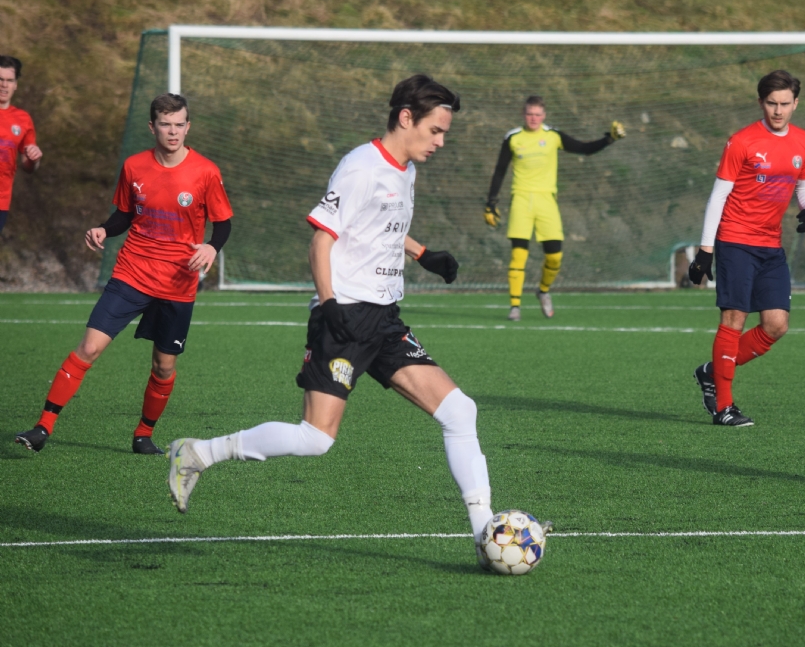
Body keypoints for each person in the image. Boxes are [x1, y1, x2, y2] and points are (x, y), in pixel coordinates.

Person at [167, 75, 501, 554]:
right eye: (435, 131)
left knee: (460, 411)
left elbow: (378, 226)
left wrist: (423, 253)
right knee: (315, 438)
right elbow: (321, 240)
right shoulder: (360, 167)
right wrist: (329, 305)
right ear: (406, 118)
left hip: (383, 319)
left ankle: (485, 532)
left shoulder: (406, 169)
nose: (440, 142)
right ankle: (198, 452)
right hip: (344, 314)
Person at [14, 94, 233, 454]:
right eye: (165, 124)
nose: (173, 131)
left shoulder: (205, 171)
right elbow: (125, 215)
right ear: (152, 127)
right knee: (88, 347)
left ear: (188, 127)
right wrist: (104, 228)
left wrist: (211, 247)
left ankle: (143, 434)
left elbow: (223, 224)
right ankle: (43, 427)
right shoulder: (134, 166)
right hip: (132, 273)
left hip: (178, 283)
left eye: (179, 124)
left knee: (163, 368)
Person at [689, 70, 805, 427]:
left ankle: (711, 373)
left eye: (785, 104)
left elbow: (804, 185)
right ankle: (723, 407)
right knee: (734, 319)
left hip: (771, 246)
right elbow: (718, 196)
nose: (778, 111)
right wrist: (706, 250)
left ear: (796, 103)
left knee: (776, 325)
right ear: (761, 102)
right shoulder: (742, 141)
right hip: (735, 241)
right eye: (771, 103)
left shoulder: (804, 141)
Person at [484, 96, 625, 320]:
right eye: (530, 114)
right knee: (518, 255)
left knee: (555, 257)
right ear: (523, 114)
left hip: (546, 202)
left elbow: (584, 148)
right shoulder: (513, 137)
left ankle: (543, 291)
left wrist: (609, 139)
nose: (533, 118)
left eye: (537, 114)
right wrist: (491, 203)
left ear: (544, 115)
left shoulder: (553, 136)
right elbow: (500, 170)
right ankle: (515, 307)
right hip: (521, 200)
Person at [0, 55, 43, 235]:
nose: (4, 85)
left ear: (16, 84)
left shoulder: (23, 119)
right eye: (0, 79)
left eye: (9, 80)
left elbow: (28, 166)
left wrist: (34, 159)